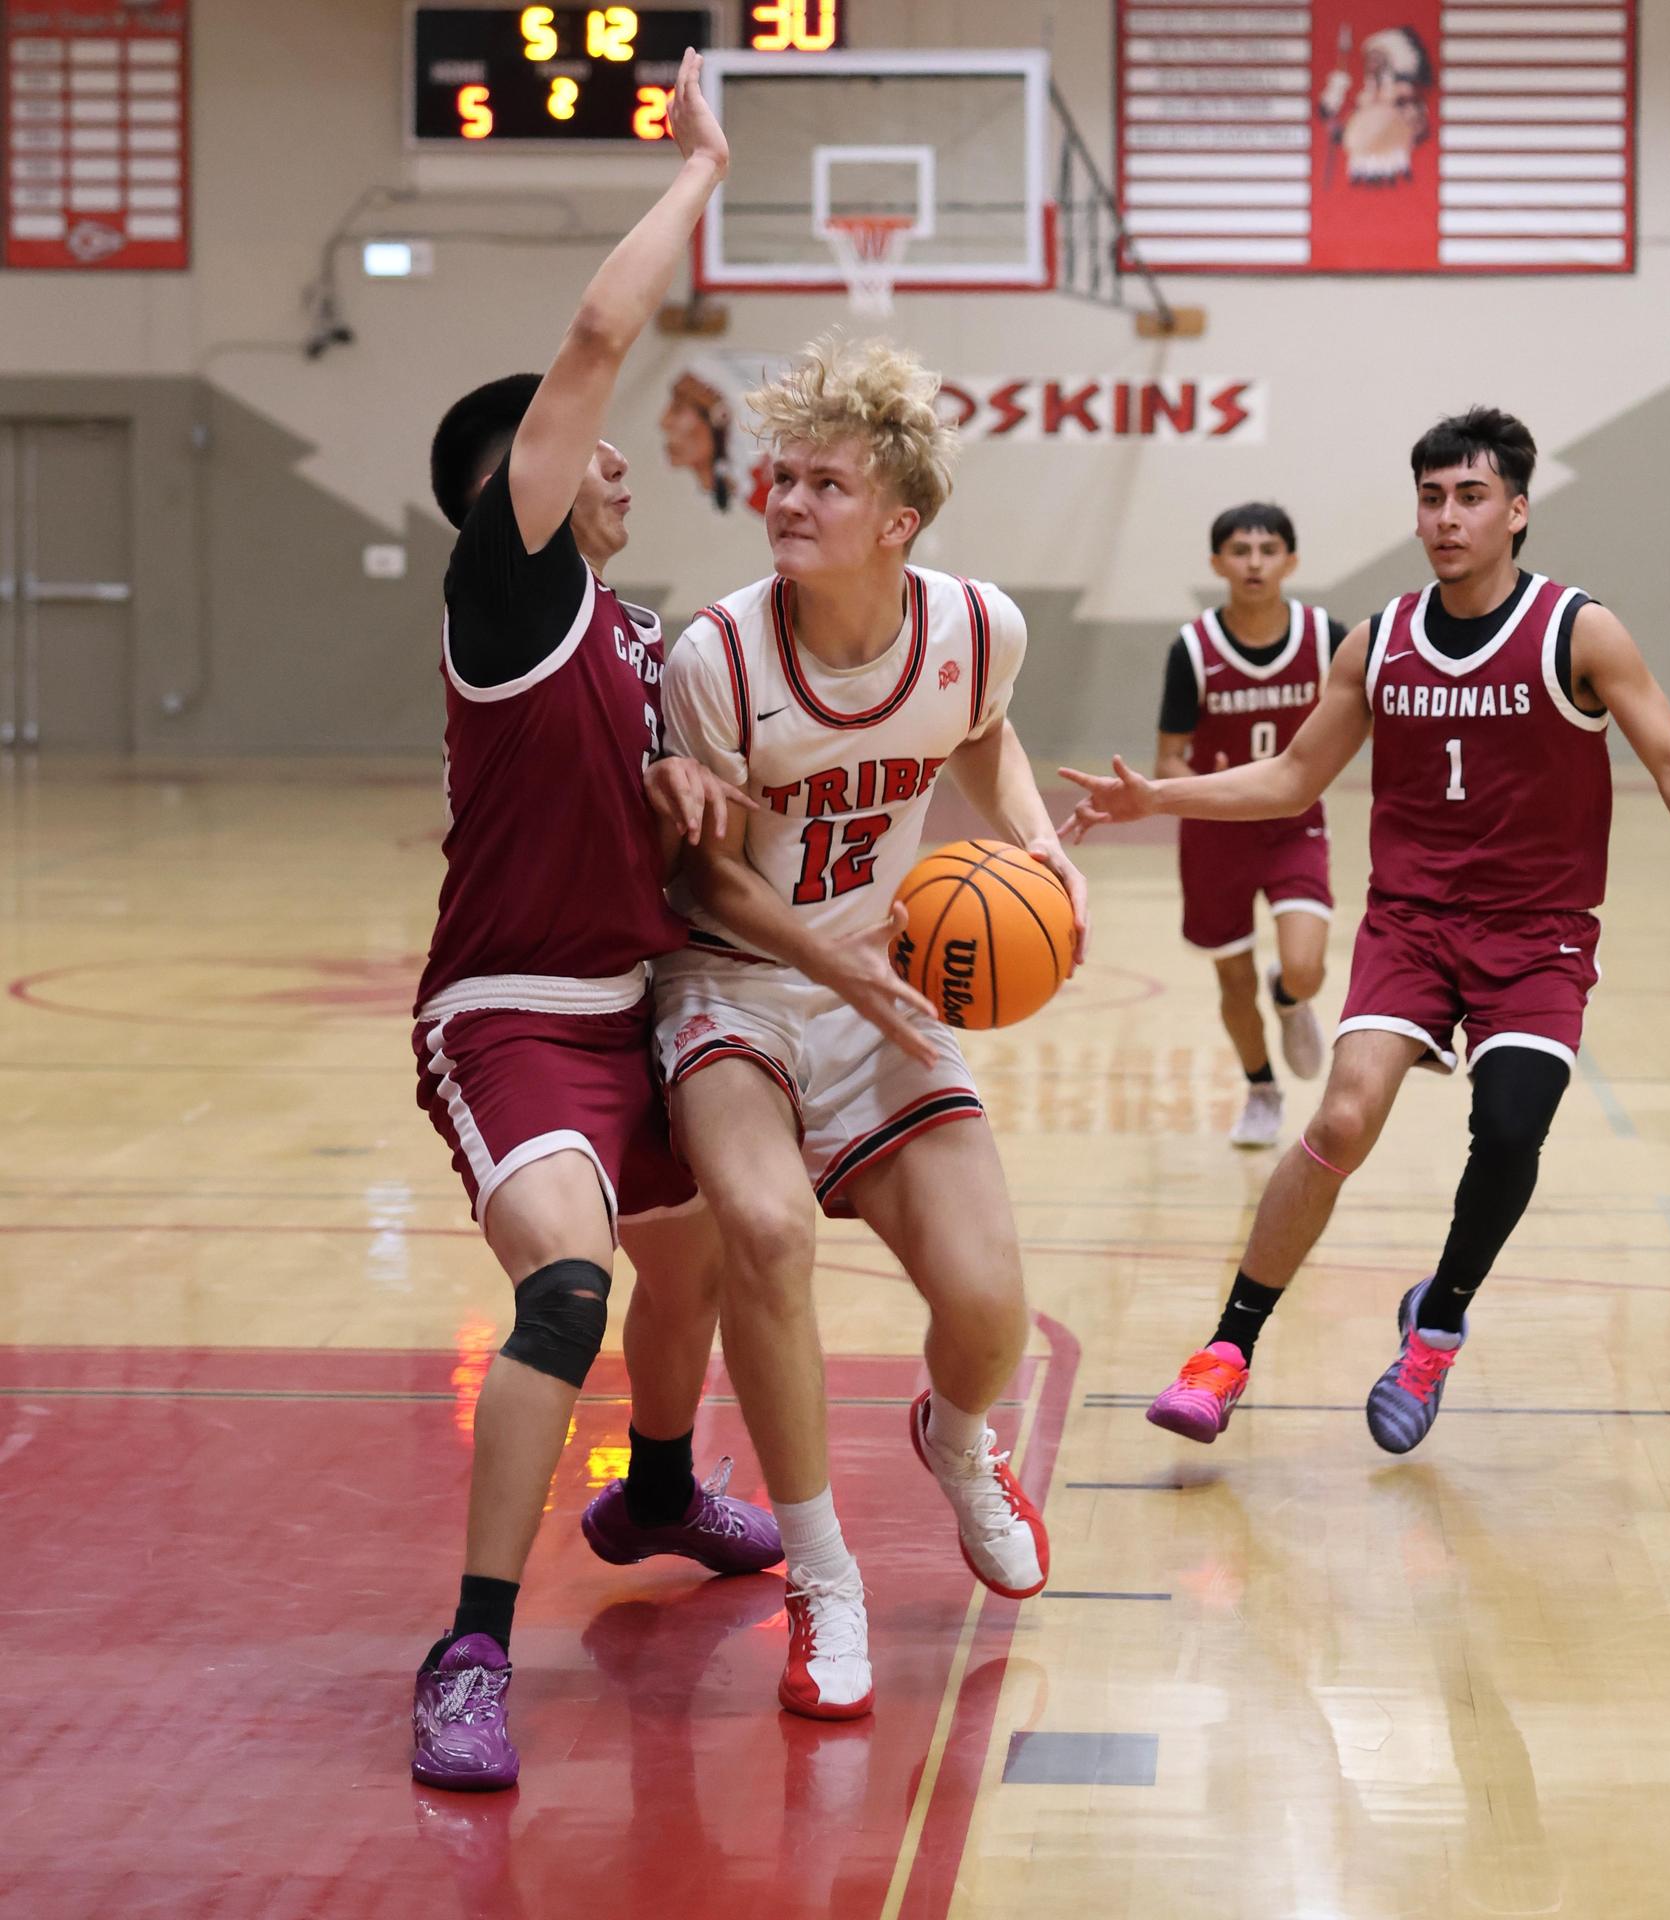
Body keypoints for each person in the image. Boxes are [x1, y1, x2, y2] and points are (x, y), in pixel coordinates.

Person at [1062, 406, 1670, 1456]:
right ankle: (1226, 1352)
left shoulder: (1578, 631)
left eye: (1469, 496)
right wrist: (1160, 801)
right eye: (1431, 497)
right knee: (1344, 1119)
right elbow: (1291, 776)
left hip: (1537, 931)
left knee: (1508, 1128)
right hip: (1412, 925)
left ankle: (1436, 1325)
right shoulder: (1381, 642)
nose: (1447, 517)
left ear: (1516, 510)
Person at [408, 51, 779, 1795]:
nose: (614, 454)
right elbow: (594, 341)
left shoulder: (639, 645)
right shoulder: (513, 591)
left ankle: (653, 1490)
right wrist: (698, 167)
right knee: (571, 1283)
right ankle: (471, 1646)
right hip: (513, 1012)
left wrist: (701, 799)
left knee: (702, 1257)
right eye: (576, 453)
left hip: (641, 1005)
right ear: (517, 494)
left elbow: (688, 826)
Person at [644, 335, 1089, 1719]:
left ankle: (959, 1445)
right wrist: (829, 964)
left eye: (823, 485)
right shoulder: (714, 654)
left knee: (987, 1303)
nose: (785, 501)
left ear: (897, 523)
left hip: (878, 985)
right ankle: (822, 1574)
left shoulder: (977, 629)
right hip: (733, 986)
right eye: (778, 478)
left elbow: (982, 731)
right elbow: (694, 875)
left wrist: (1036, 849)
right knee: (766, 1235)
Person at [1156, 502, 1345, 1147]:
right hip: (1216, 834)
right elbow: (1169, 756)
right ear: (1218, 563)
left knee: (1306, 965)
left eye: (1268, 550)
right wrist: (1192, 784)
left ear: (1291, 560)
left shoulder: (1327, 638)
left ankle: (1290, 998)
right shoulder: (1193, 649)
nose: (1255, 562)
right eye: (1240, 551)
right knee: (1232, 979)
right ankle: (1261, 1088)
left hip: (1293, 822)